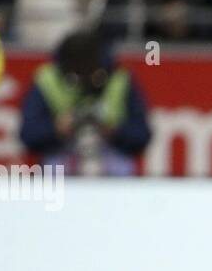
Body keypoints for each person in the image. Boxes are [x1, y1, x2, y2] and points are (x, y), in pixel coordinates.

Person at [19, 29, 153, 176]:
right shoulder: (47, 79)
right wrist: (57, 130)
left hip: (111, 160)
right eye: (76, 73)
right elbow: (28, 135)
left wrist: (113, 131)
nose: (84, 78)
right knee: (54, 164)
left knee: (121, 164)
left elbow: (142, 135)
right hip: (62, 160)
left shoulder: (119, 78)